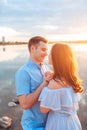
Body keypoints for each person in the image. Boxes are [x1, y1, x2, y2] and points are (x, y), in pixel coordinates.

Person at [39, 43, 83, 130]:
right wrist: (53, 75)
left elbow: (43, 109)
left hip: (59, 124)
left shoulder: (54, 84)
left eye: (51, 53)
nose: (48, 54)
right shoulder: (71, 78)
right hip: (73, 122)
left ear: (57, 58)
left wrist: (46, 82)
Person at [15, 36, 52, 130]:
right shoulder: (23, 72)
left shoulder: (46, 68)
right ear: (32, 49)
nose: (46, 54)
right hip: (33, 126)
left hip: (51, 123)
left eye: (47, 50)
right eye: (43, 49)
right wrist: (44, 84)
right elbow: (24, 104)